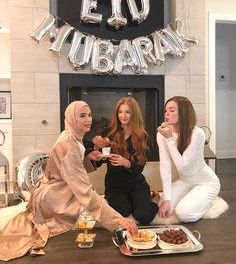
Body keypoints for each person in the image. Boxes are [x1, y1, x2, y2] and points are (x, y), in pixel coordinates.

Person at [0, 101, 137, 261]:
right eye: (82, 116)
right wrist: (117, 220)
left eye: (90, 115)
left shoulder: (71, 136)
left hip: (55, 190)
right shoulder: (69, 146)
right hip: (54, 197)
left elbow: (67, 170)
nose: (88, 120)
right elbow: (84, 191)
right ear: (71, 118)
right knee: (85, 208)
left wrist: (88, 160)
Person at [93, 97, 159, 225]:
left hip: (135, 183)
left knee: (143, 216)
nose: (123, 116)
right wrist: (98, 150)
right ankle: (131, 202)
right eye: (120, 112)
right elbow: (99, 162)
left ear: (134, 114)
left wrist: (126, 163)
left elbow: (139, 169)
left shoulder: (142, 137)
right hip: (115, 185)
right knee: (122, 211)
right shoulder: (109, 133)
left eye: (127, 112)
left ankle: (155, 199)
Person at [156, 96, 220, 222]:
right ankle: (192, 198)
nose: (167, 114)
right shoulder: (162, 134)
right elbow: (165, 166)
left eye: (172, 110)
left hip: (205, 182)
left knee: (183, 214)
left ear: (184, 112)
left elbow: (183, 167)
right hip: (185, 181)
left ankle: (208, 203)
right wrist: (167, 199)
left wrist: (169, 139)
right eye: (165, 110)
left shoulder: (197, 134)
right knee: (163, 206)